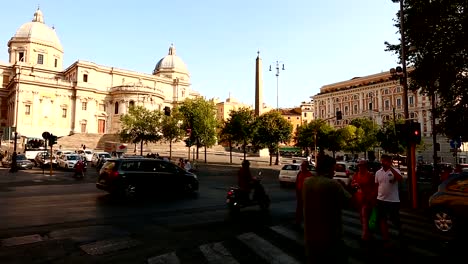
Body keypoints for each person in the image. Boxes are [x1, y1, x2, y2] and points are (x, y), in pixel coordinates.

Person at [302, 155, 352, 263]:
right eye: (333, 168)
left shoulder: (306, 182)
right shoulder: (332, 184)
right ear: (328, 168)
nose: (334, 172)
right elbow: (350, 203)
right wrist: (346, 187)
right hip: (330, 239)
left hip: (310, 238)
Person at [374, 154, 403, 247]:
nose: (383, 162)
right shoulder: (378, 172)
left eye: (385, 161)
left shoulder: (395, 171)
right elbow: (377, 185)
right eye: (382, 160)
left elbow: (400, 179)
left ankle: (400, 231)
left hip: (393, 201)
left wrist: (390, 168)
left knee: (395, 219)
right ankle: (386, 238)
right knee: (382, 219)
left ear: (390, 161)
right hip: (381, 200)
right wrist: (375, 198)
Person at [350, 160, 378, 243]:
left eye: (362, 166)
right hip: (359, 198)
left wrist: (372, 196)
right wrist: (354, 186)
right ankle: (368, 233)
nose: (360, 167)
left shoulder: (370, 175)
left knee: (365, 216)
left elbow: (375, 187)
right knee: (363, 217)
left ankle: (365, 235)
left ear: (365, 167)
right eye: (359, 166)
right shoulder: (356, 175)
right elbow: (352, 184)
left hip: (368, 199)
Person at [295, 160, 313, 227]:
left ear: (306, 167)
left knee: (307, 209)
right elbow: (297, 182)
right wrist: (296, 191)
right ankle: (298, 221)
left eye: (303, 165)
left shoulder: (309, 175)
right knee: (299, 208)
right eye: (302, 165)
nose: (302, 167)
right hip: (299, 193)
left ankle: (307, 222)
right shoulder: (299, 173)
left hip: (306, 194)